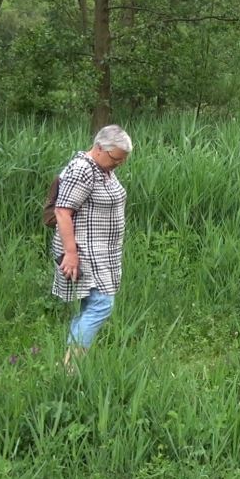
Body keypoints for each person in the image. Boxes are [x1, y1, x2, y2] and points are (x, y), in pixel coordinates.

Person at [51, 124, 133, 370]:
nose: (118, 164)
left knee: (91, 304)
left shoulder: (102, 168)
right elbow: (62, 211)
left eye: (122, 161)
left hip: (103, 251)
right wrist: (71, 253)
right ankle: (72, 367)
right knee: (101, 305)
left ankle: (68, 364)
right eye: (116, 159)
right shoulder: (82, 170)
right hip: (84, 249)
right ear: (99, 148)